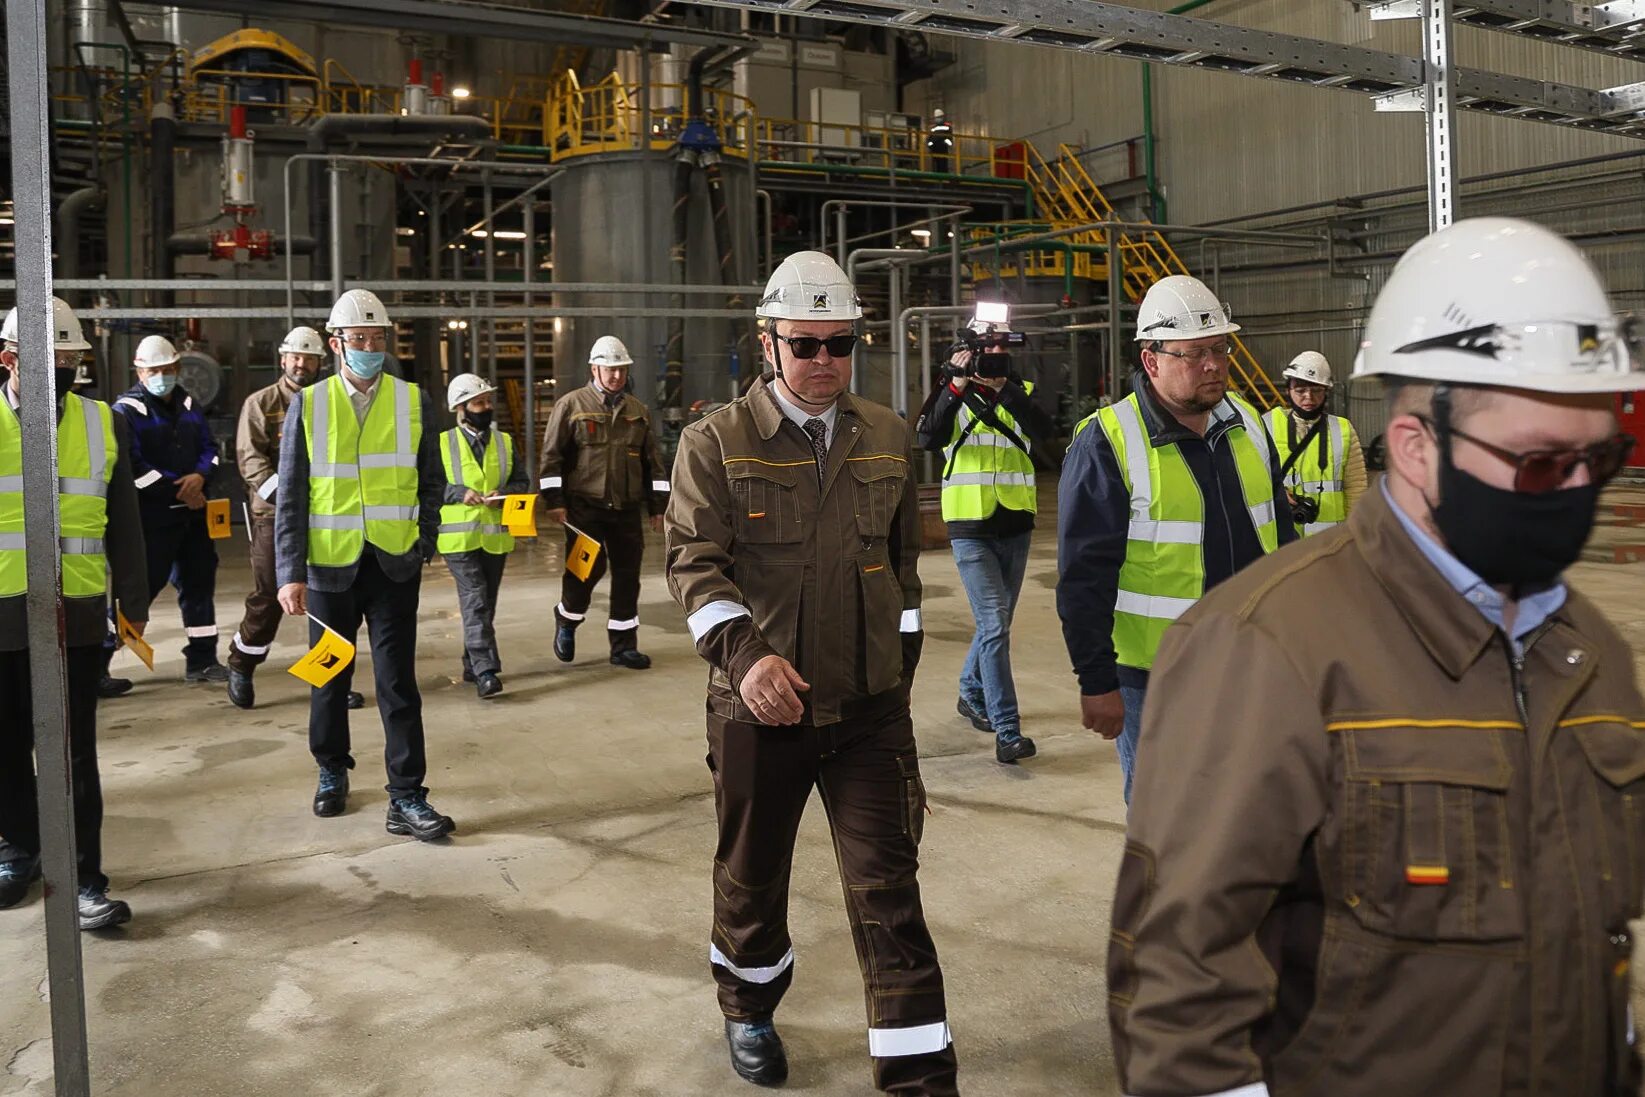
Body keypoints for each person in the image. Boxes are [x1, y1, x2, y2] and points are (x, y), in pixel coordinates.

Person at [1109, 217, 1645, 1097]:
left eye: (1599, 458)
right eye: (1543, 462)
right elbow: (1179, 1000)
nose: (1578, 493)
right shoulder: (1265, 650)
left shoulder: (1594, 656)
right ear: (1415, 448)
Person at [666, 251, 956, 1095]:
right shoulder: (714, 442)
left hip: (869, 712)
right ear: (768, 343)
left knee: (889, 894)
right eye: (806, 344)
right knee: (752, 879)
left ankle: (919, 1077)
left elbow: (901, 575)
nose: (824, 360)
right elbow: (693, 565)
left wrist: (897, 674)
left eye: (841, 343)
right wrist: (746, 659)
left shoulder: (889, 433)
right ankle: (749, 1006)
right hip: (763, 713)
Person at [1057, 274, 1294, 803]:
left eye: (1219, 348)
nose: (1212, 364)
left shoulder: (1249, 425)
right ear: (1152, 360)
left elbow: (1283, 540)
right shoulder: (1108, 442)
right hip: (1154, 677)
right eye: (1193, 354)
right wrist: (1096, 680)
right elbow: (1083, 577)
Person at [274, 289, 454, 841]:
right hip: (329, 568)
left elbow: (431, 477)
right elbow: (293, 493)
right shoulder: (310, 403)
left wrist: (426, 538)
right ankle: (331, 769)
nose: (370, 347)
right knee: (329, 678)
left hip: (394, 564)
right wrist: (290, 572)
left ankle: (407, 796)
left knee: (399, 684)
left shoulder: (412, 400)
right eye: (360, 339)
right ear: (337, 344)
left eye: (378, 339)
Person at [0, 297, 147, 929]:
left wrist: (130, 607)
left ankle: (87, 877)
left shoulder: (100, 422)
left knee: (73, 752)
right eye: (50, 359)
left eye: (70, 358)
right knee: (5, 746)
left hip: (76, 613)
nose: (63, 369)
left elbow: (126, 524)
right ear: (10, 360)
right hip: (1, 613)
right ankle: (19, 848)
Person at [914, 332, 1054, 764]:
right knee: (994, 622)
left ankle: (970, 691)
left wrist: (1004, 390)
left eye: (1002, 355)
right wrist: (955, 384)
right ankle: (1007, 730)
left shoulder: (1021, 392)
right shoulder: (949, 393)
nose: (995, 362)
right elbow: (926, 438)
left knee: (998, 621)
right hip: (969, 523)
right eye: (987, 355)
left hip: (1016, 521)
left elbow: (1047, 434)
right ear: (968, 356)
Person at [227, 325, 363, 711]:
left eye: (309, 357)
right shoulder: (261, 403)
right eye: (295, 356)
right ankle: (242, 661)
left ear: (322, 361)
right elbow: (250, 460)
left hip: (329, 516)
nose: (301, 363)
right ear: (283, 359)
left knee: (329, 596)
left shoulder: (334, 401)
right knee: (272, 593)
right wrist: (290, 501)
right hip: (274, 517)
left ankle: (329, 681)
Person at [538, 334, 668, 671]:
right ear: (594, 368)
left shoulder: (638, 412)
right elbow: (551, 458)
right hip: (585, 508)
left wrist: (658, 507)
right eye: (609, 369)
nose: (615, 376)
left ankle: (624, 646)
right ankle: (567, 617)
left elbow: (653, 464)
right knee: (584, 570)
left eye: (621, 370)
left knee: (628, 576)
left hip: (626, 510)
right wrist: (554, 500)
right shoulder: (571, 405)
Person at [111, 333, 228, 683]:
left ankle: (203, 660)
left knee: (199, 587)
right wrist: (180, 489)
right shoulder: (126, 412)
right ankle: (97, 664)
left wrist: (201, 476)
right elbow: (133, 468)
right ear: (139, 372)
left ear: (178, 367)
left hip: (193, 519)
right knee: (138, 593)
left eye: (168, 368)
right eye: (154, 370)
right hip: (152, 521)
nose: (162, 375)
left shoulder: (189, 404)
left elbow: (211, 449)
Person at [438, 372, 528, 699]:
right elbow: (430, 485)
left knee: (485, 604)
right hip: (458, 539)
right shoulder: (442, 443)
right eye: (479, 402)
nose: (486, 407)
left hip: (495, 536)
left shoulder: (504, 442)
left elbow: (522, 482)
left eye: (489, 402)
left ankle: (469, 662)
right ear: (460, 407)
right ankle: (485, 669)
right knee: (475, 598)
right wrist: (458, 492)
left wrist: (503, 493)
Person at [1267, 350, 1367, 536]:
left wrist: (1356, 533)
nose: (1309, 398)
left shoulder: (1343, 429)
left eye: (1316, 391)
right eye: (1300, 390)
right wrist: (1276, 491)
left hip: (1331, 538)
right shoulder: (1267, 425)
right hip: (1283, 536)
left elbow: (1356, 487)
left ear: (1326, 392)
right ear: (1288, 390)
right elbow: (1252, 480)